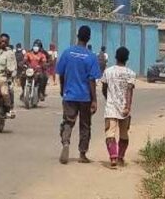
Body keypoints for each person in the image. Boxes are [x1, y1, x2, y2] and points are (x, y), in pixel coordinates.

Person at [57, 25, 102, 165]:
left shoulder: (67, 53)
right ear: (88, 38)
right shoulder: (91, 57)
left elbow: (61, 74)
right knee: (85, 125)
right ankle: (82, 154)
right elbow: (92, 80)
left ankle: (65, 143)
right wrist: (94, 100)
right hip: (85, 97)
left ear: (77, 36)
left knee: (68, 122)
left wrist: (62, 88)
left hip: (69, 94)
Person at [101, 46, 136, 169]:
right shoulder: (131, 73)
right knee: (124, 134)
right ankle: (121, 157)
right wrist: (128, 106)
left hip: (111, 107)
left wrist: (109, 98)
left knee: (110, 133)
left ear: (115, 57)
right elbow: (130, 91)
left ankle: (113, 157)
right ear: (127, 58)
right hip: (124, 109)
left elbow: (104, 89)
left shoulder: (108, 72)